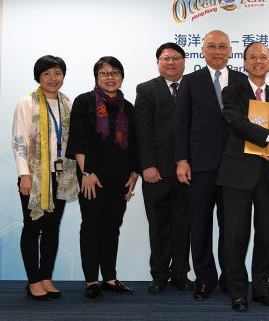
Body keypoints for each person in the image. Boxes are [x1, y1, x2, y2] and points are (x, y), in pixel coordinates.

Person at [217, 42, 269, 311]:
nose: (258, 61)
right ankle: (237, 291)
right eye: (253, 57)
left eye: (264, 57)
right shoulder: (232, 92)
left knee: (265, 236)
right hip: (237, 174)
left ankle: (261, 289)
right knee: (235, 237)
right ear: (244, 62)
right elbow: (238, 123)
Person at [174, 30, 248, 300]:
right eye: (211, 46)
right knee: (200, 224)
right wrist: (181, 159)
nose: (217, 51)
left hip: (235, 164)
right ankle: (204, 278)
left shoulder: (243, 80)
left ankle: (230, 277)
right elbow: (181, 123)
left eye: (222, 47)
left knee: (232, 226)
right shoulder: (190, 81)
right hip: (200, 164)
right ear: (202, 50)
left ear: (230, 51)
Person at [66, 56, 140, 299]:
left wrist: (134, 174)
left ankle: (109, 278)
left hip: (121, 177)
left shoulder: (126, 106)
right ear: (97, 76)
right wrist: (85, 172)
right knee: (91, 227)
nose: (111, 76)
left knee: (112, 227)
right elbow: (76, 139)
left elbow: (134, 144)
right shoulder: (85, 101)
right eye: (105, 72)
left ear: (122, 77)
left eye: (115, 72)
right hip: (93, 177)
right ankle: (91, 281)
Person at [12, 55, 79, 301]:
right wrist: (24, 175)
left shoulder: (67, 103)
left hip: (62, 175)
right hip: (35, 176)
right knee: (32, 228)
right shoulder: (27, 102)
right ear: (38, 76)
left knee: (52, 228)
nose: (53, 78)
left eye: (58, 73)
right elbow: (19, 141)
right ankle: (33, 280)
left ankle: (46, 276)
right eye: (47, 74)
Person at [134, 43, 192, 293]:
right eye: (166, 58)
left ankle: (180, 273)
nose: (171, 63)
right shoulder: (146, 89)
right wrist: (147, 165)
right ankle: (158, 274)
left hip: (189, 169)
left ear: (184, 61)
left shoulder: (194, 86)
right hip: (156, 170)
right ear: (158, 62)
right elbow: (142, 130)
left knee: (183, 224)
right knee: (158, 225)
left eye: (176, 58)